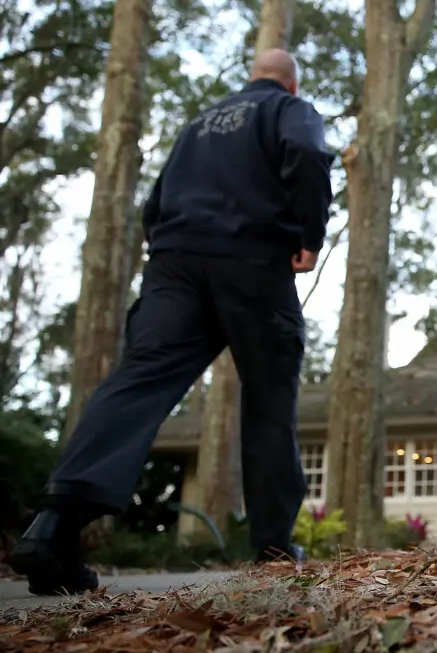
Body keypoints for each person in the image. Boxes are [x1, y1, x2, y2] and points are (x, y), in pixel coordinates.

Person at [10, 49, 335, 596]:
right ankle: (274, 548)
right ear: (292, 84)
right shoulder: (287, 109)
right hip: (253, 260)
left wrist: (167, 253)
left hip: (175, 264)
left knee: (139, 379)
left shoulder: (199, 124)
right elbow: (305, 151)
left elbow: (155, 201)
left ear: (251, 76)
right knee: (269, 396)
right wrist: (310, 234)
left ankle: (53, 527)